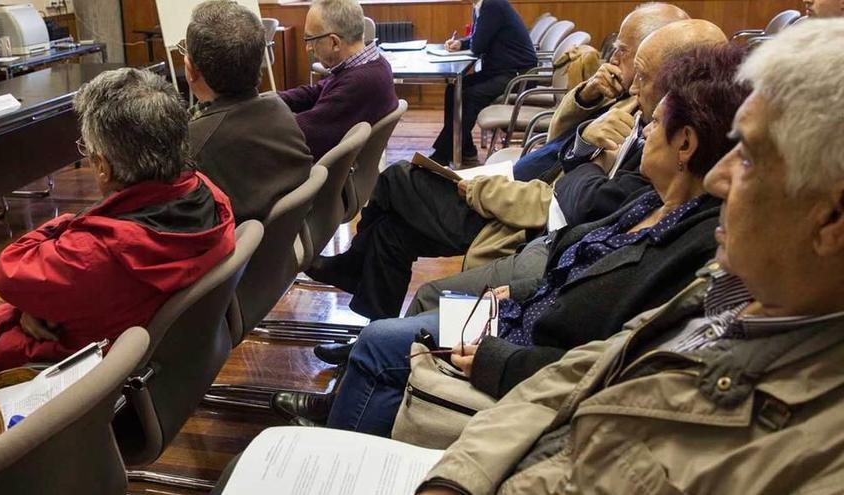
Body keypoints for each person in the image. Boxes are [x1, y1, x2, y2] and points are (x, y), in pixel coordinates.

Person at [418, 19, 844, 494]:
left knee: (392, 345)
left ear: (831, 219)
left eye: (746, 156)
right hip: (506, 445)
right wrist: (459, 479)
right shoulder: (726, 286)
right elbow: (579, 374)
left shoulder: (816, 451)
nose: (720, 179)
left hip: (519, 388)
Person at [274, 43, 751, 435]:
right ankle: (351, 386)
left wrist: (501, 349)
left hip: (524, 296)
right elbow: (564, 168)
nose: (643, 121)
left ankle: (353, 398)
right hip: (527, 287)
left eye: (653, 117)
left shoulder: (681, 231)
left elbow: (601, 347)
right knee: (394, 233)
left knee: (396, 193)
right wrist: (583, 118)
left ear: (686, 143)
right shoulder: (655, 197)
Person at [306, 19, 727, 321]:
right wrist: (585, 98)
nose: (613, 59)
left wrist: (573, 149)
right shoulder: (632, 102)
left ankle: (356, 281)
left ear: (677, 74)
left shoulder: (666, 144)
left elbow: (581, 198)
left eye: (625, 53)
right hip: (527, 191)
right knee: (391, 233)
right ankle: (372, 335)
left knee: (396, 180)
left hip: (528, 223)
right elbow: (559, 143)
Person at [0, 68, 236, 388]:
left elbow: (7, 271)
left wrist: (66, 221)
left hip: (47, 375)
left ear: (103, 167)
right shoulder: (211, 197)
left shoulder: (92, 254)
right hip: (155, 359)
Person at [513, 2, 690, 181]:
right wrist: (586, 97)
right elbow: (556, 137)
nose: (613, 59)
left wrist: (584, 143)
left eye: (622, 50)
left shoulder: (650, 127)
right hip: (537, 170)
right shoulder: (621, 93)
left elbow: (573, 194)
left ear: (654, 53)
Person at [185, 0, 313, 223]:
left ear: (191, 70)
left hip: (240, 252)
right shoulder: (279, 109)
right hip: (285, 245)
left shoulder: (193, 144)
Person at [278, 0, 397, 160]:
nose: (308, 48)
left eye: (310, 40)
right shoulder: (373, 63)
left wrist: (258, 120)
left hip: (331, 178)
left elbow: (302, 135)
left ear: (334, 42)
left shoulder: (359, 83)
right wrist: (273, 100)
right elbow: (318, 91)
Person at [428, 0, 537, 167]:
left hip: (518, 76)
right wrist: (461, 43)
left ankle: (442, 154)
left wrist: (469, 42)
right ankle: (466, 150)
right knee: (453, 89)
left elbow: (478, 45)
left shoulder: (492, 4)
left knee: (469, 96)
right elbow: (478, 38)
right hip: (500, 71)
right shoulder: (482, 5)